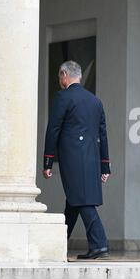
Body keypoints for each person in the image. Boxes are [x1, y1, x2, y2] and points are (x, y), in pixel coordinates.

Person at [43, 61, 111, 260]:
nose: (60, 80)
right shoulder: (95, 101)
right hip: (92, 158)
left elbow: (53, 130)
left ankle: (99, 244)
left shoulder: (63, 97)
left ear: (65, 75)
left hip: (73, 158)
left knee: (83, 201)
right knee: (74, 201)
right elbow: (103, 135)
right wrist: (104, 166)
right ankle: (59, 244)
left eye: (59, 76)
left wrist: (47, 161)